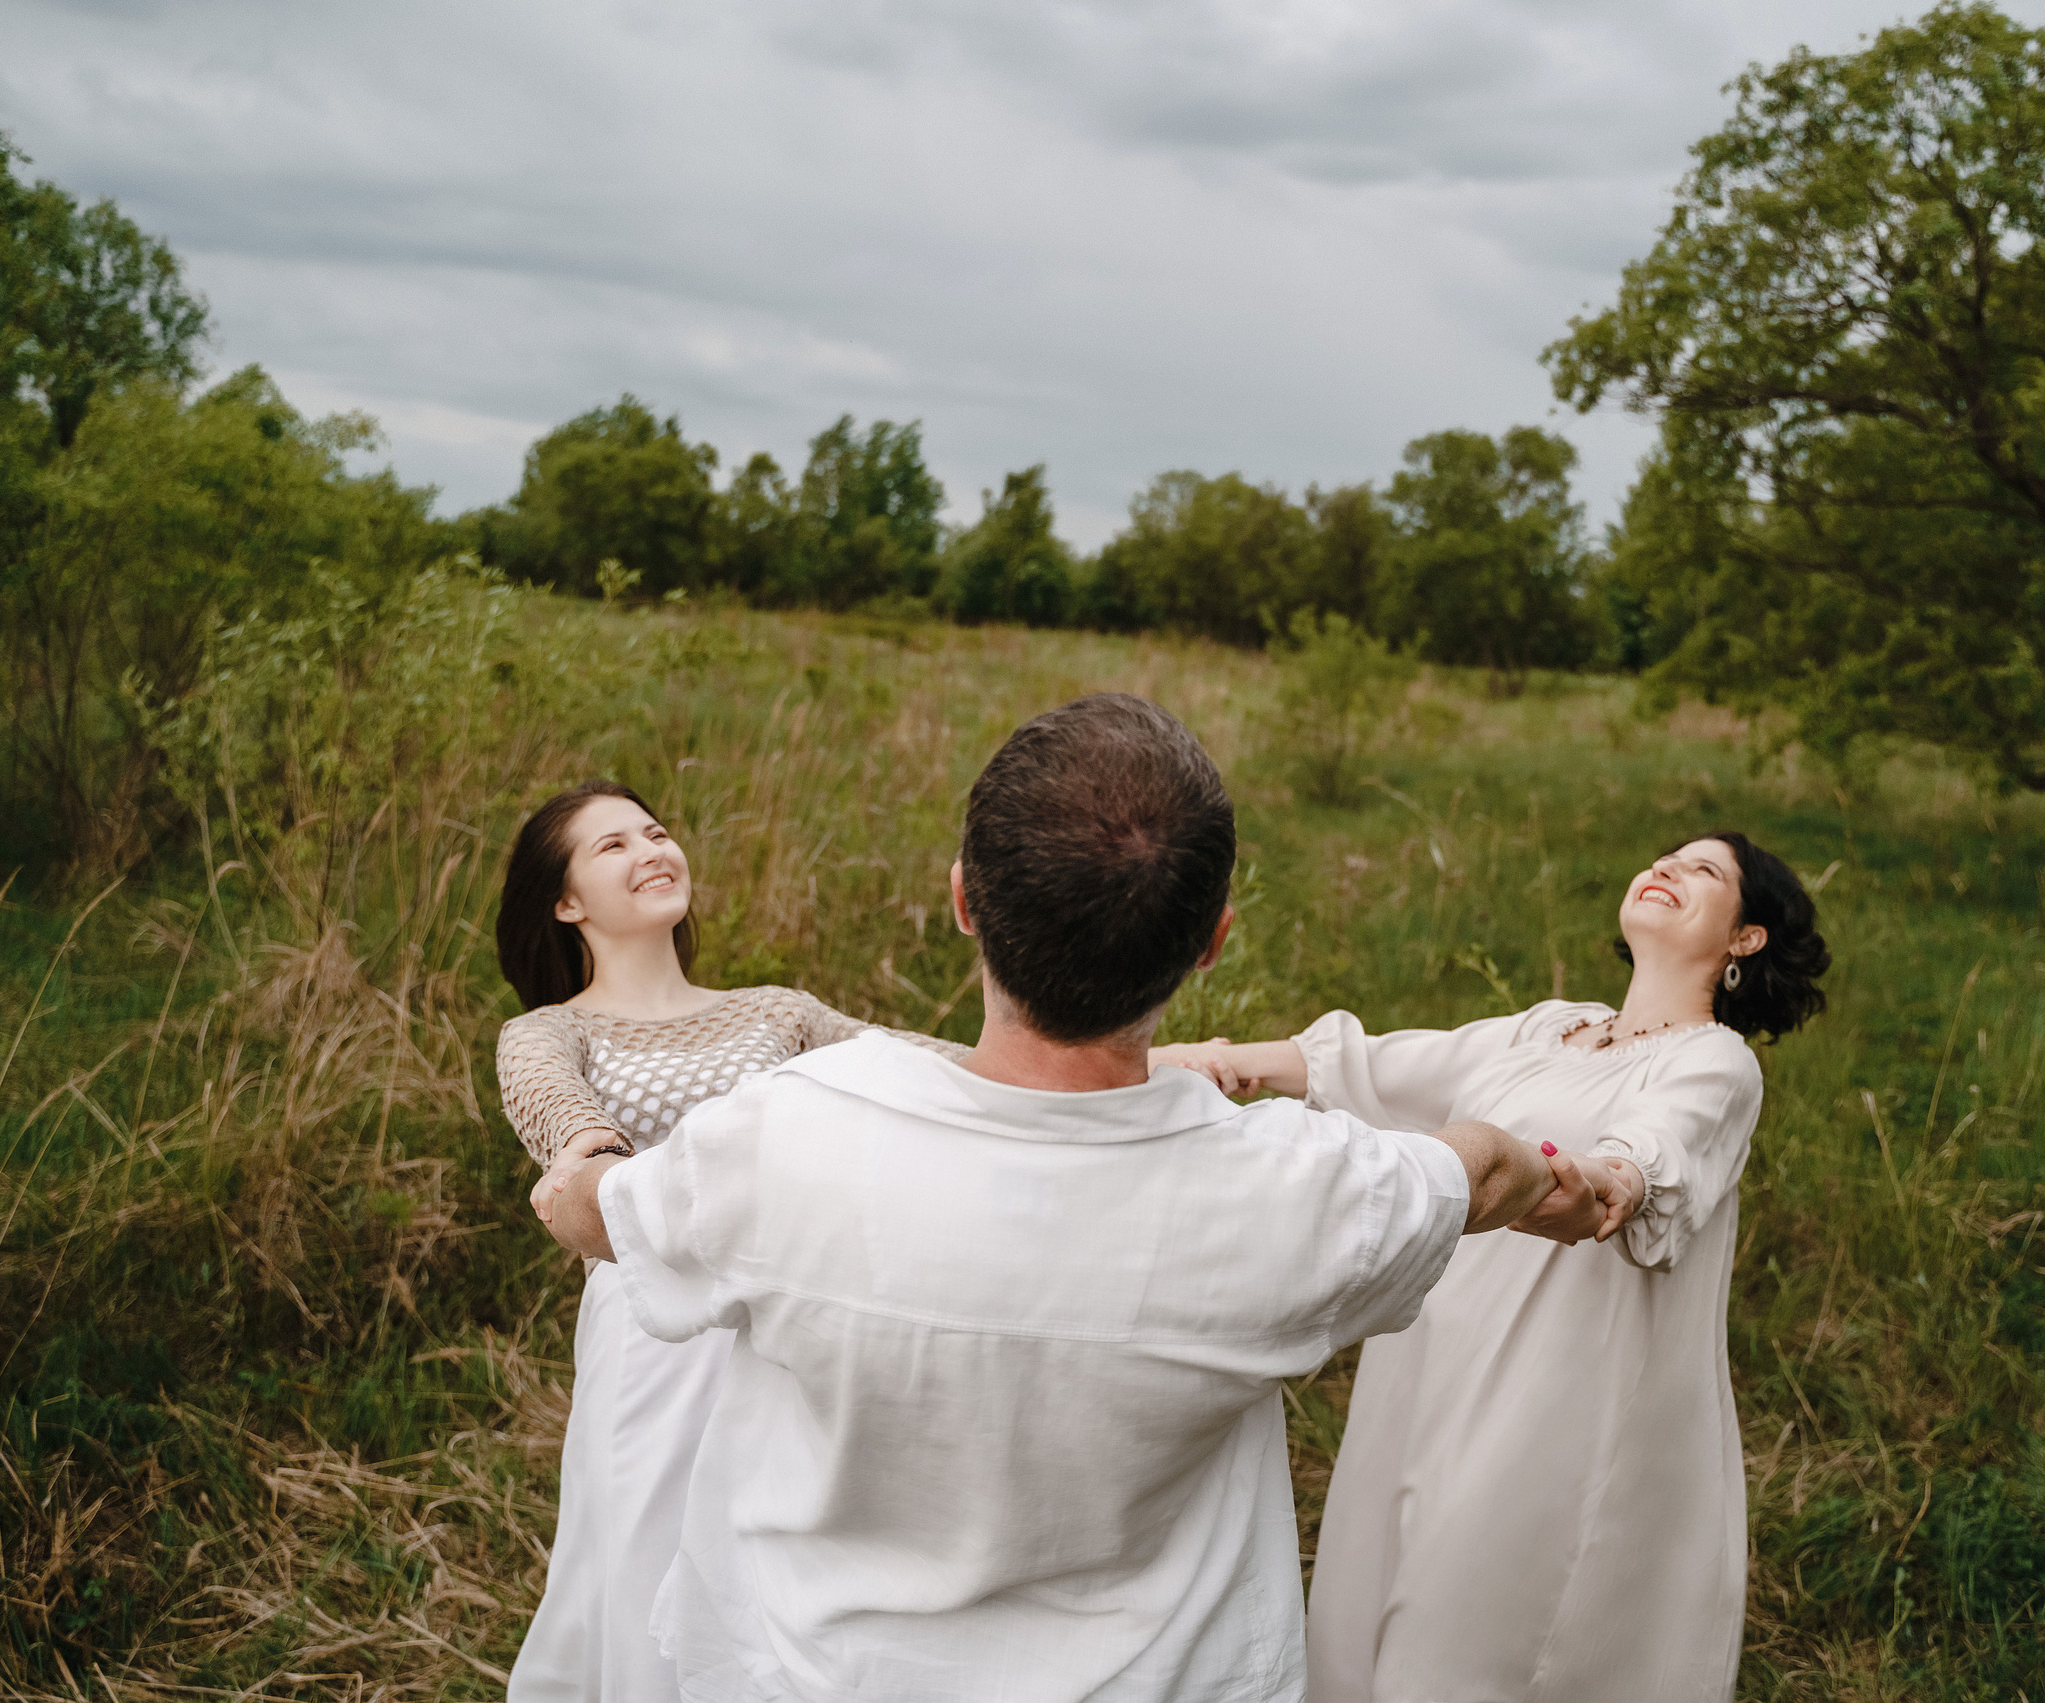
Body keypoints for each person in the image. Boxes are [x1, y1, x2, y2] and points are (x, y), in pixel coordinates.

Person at [540, 694, 1608, 1702]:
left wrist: (579, 1156)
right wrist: (1546, 1174)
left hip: (806, 1674)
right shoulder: (1303, 1187)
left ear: (963, 897)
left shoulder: (785, 1134)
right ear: (1210, 942)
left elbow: (591, 1215)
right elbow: (1476, 1173)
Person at [1153, 831, 1831, 1703]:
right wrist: (1214, 1060)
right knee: (1358, 1619)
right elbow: (1374, 1066)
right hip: (1427, 1364)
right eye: (1662, 857)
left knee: (1463, 1642)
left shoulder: (1715, 1062)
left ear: (1746, 939)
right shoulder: (1551, 1027)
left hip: (1550, 1395)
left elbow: (1639, 1169)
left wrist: (1592, 1180)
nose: (1664, 868)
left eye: (1704, 872)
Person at [493, 779, 963, 1703]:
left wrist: (1122, 1063)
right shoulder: (548, 1031)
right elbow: (562, 1117)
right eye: (613, 846)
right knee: (644, 1553)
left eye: (658, 831)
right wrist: (591, 1155)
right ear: (566, 901)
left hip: (788, 1321)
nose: (651, 850)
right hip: (651, 1336)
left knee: (782, 1567)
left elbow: (926, 1069)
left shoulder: (775, 1013)